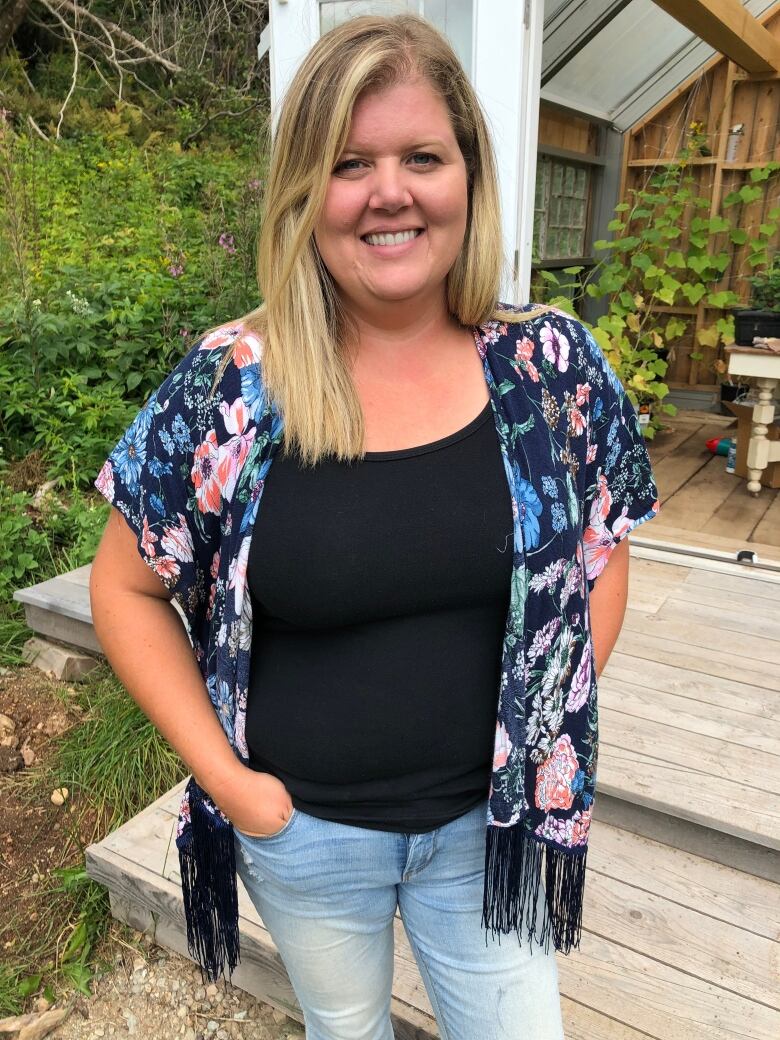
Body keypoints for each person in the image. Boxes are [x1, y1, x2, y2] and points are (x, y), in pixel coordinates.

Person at [89, 13, 659, 1040]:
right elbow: (126, 587)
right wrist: (232, 785)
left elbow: (599, 557)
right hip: (302, 831)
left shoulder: (551, 370)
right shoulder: (232, 385)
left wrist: (535, 734)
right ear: (305, 191)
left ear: (470, 178)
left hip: (491, 828)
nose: (389, 190)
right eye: (350, 162)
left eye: (421, 156)